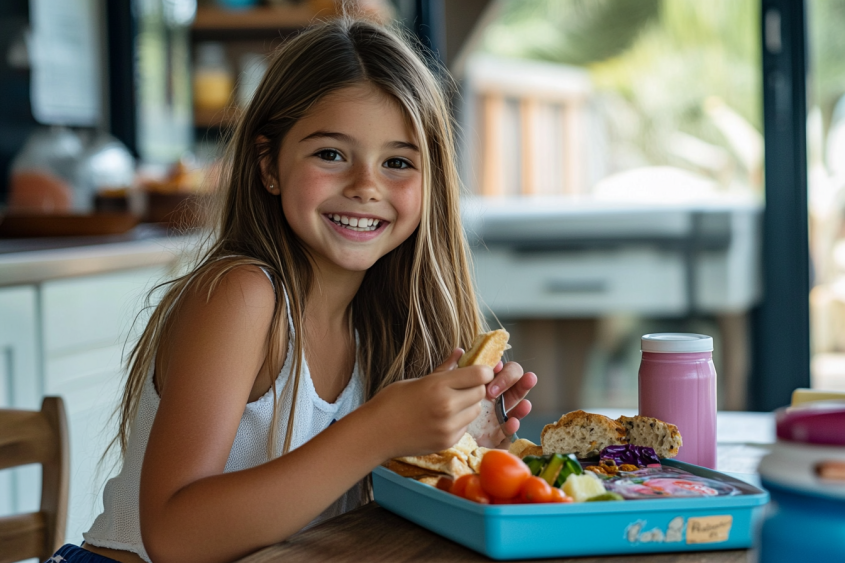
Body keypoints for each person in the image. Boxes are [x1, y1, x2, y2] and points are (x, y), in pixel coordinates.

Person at [46, 16, 536, 563]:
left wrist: (456, 448)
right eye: (331, 154)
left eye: (397, 162)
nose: (366, 186)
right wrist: (378, 430)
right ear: (268, 165)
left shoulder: (381, 327)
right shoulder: (243, 295)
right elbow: (174, 537)